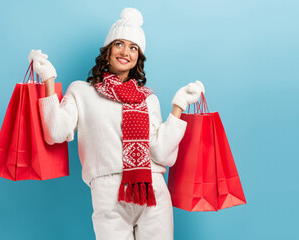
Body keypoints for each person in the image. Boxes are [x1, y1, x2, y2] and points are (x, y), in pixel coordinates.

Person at [28, 8, 202, 240]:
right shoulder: (82, 91)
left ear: (138, 57)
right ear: (108, 50)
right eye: (119, 43)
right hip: (108, 192)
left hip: (152, 190)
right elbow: (55, 132)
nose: (125, 52)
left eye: (133, 48)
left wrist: (178, 107)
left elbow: (162, 153)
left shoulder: (147, 98)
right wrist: (48, 78)